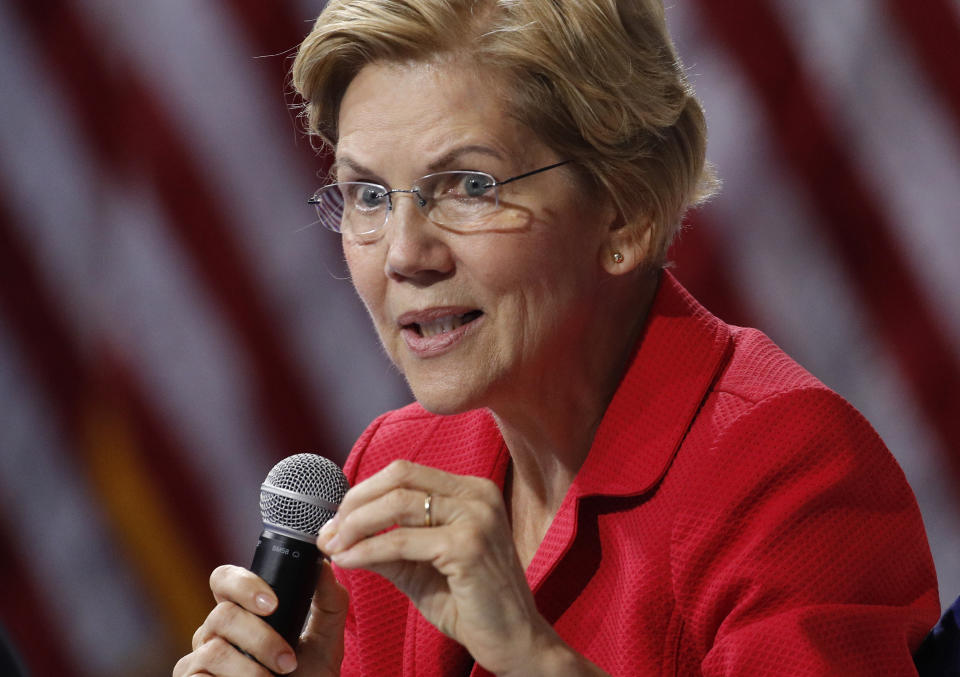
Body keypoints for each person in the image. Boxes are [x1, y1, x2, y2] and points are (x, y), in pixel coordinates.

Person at [174, 0, 939, 674]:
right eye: (368, 194)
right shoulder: (398, 467)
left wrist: (537, 661)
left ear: (625, 209)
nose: (405, 253)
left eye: (470, 186)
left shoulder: (788, 474)